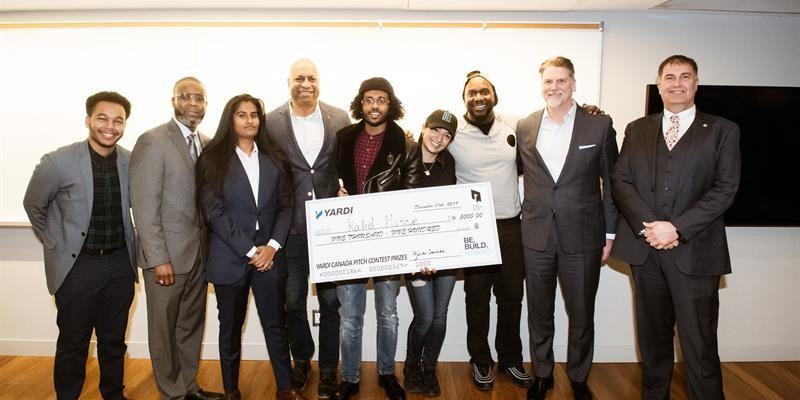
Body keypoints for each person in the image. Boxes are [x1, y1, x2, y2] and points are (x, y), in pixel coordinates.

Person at [611, 55, 740, 400]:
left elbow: (725, 189)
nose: (677, 83)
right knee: (653, 347)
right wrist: (651, 227)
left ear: (696, 83)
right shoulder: (638, 129)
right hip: (645, 253)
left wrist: (677, 229)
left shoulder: (722, 131)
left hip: (696, 255)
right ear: (659, 84)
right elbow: (621, 181)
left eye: (685, 76)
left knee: (699, 349)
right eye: (670, 77)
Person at [516, 56, 619, 400]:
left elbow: (612, 181)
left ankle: (578, 377)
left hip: (584, 236)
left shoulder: (598, 125)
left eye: (561, 81)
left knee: (581, 314)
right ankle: (542, 375)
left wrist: (609, 234)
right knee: (539, 313)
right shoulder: (526, 126)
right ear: (540, 84)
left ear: (573, 83)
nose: (554, 87)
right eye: (548, 81)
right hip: (536, 235)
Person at [23, 91, 137, 400]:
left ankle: (114, 394)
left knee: (114, 342)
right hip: (77, 269)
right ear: (88, 120)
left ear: (125, 125)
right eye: (102, 118)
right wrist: (54, 242)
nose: (109, 126)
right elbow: (34, 206)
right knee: (74, 343)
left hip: (120, 266)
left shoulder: (131, 161)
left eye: (118, 121)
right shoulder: (57, 161)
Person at [197, 94, 306, 400]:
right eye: (242, 115)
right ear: (230, 120)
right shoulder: (213, 158)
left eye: (255, 114)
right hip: (230, 257)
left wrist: (271, 247)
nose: (250, 120)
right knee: (230, 329)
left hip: (270, 257)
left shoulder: (274, 157)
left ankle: (285, 388)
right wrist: (251, 251)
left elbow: (287, 205)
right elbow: (213, 211)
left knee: (276, 325)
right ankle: (231, 391)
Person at [130, 77, 223, 400]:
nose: (193, 102)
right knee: (163, 330)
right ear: (173, 101)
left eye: (199, 97)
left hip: (199, 256)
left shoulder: (209, 143)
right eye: (185, 96)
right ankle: (170, 393)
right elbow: (144, 205)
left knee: (190, 327)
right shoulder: (153, 141)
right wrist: (157, 258)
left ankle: (188, 386)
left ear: (206, 104)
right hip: (166, 258)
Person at [334, 77, 425, 400]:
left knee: (388, 313)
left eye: (381, 100)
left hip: (389, 241)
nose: (375, 105)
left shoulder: (406, 145)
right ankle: (349, 378)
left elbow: (413, 197)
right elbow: (331, 179)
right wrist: (336, 191)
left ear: (391, 104)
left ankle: (387, 374)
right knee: (350, 316)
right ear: (361, 103)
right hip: (349, 240)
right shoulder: (343, 138)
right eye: (369, 99)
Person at [265, 58, 351, 399]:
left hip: (330, 228)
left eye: (311, 78)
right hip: (291, 229)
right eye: (299, 78)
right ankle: (302, 359)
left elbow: (348, 162)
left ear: (320, 82)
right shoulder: (270, 121)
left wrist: (349, 190)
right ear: (288, 82)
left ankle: (329, 369)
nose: (306, 83)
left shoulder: (339, 117)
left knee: (331, 303)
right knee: (293, 301)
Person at [446, 70, 533, 390]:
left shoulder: (515, 123)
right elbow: (427, 145)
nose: (478, 97)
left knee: (511, 297)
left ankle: (510, 358)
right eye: (472, 92)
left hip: (511, 224)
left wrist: (589, 110)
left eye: (484, 91)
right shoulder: (453, 129)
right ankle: (481, 360)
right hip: (474, 227)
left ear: (494, 95)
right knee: (477, 299)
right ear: (464, 98)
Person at [402, 109, 459, 398]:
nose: (439, 138)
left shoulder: (449, 164)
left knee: (440, 316)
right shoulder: (404, 158)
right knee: (424, 317)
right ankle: (411, 366)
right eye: (435, 130)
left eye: (447, 135)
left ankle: (429, 367)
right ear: (423, 128)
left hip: (446, 256)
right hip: (414, 259)